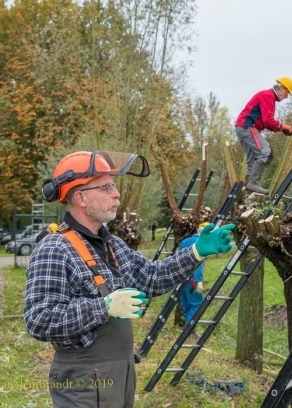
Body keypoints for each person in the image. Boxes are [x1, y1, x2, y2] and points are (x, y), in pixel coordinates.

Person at [24, 150, 235, 408]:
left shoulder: (113, 245)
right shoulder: (54, 248)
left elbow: (153, 277)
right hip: (82, 384)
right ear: (80, 197)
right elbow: (39, 319)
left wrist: (196, 252)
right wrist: (103, 307)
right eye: (106, 187)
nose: (117, 194)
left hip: (120, 375)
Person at [235, 77, 292, 195]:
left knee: (253, 159)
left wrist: (281, 129)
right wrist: (283, 126)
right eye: (287, 93)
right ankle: (253, 184)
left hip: (242, 127)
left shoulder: (268, 96)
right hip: (247, 127)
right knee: (266, 152)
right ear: (281, 88)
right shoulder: (268, 96)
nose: (287, 96)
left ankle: (249, 189)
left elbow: (264, 122)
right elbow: (268, 120)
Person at [178, 223, 208, 327]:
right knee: (197, 305)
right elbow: (198, 264)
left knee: (186, 305)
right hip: (192, 280)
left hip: (181, 278)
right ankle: (189, 331)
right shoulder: (201, 243)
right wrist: (199, 281)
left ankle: (187, 332)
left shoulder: (185, 241)